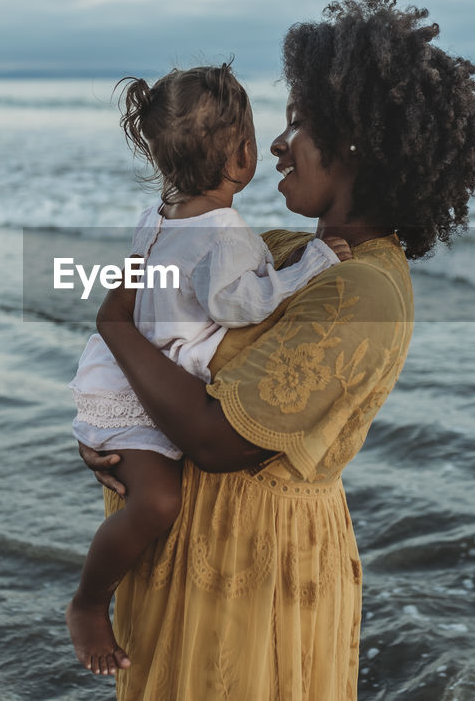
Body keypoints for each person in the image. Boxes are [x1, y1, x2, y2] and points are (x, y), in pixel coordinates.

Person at [80, 0, 475, 699]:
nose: (274, 142)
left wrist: (114, 330)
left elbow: (215, 439)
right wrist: (107, 428)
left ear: (354, 143)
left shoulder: (361, 292)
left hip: (254, 577)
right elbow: (155, 288)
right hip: (191, 552)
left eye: (299, 123)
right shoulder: (281, 249)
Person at [65, 63, 354, 676]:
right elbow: (241, 301)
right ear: (243, 155)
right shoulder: (222, 236)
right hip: (135, 394)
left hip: (118, 378)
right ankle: (88, 605)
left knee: (148, 498)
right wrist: (312, 267)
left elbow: (135, 292)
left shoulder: (162, 214)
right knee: (158, 503)